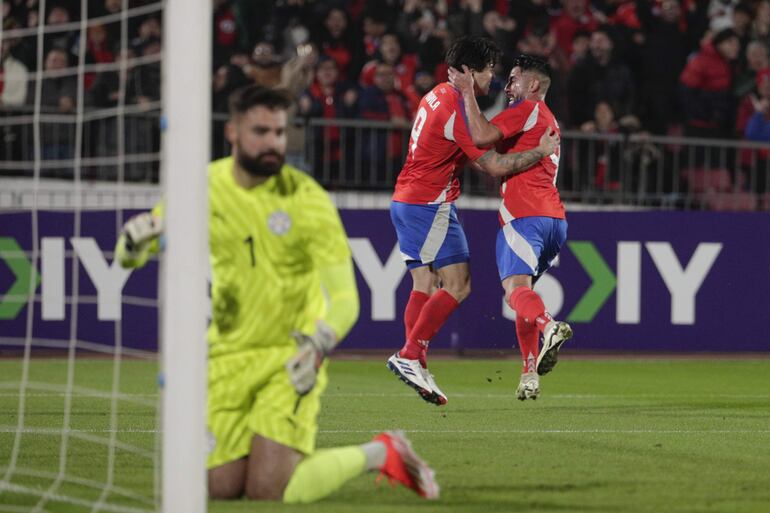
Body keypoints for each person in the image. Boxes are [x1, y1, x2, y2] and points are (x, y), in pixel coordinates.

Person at [115, 85, 439, 503]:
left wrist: (319, 344)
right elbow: (132, 255)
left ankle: (380, 453)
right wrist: (131, 243)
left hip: (290, 358)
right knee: (219, 488)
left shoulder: (307, 200)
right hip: (225, 357)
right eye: (261, 132)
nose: (274, 143)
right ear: (232, 132)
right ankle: (381, 451)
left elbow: (345, 299)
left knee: (269, 489)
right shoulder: (201, 189)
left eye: (280, 133)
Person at [386, 37, 560, 406]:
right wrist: (539, 151)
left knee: (423, 280)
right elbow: (494, 164)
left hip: (411, 198)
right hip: (429, 203)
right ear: (469, 72)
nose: (494, 79)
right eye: (490, 71)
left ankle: (414, 359)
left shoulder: (435, 94)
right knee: (458, 285)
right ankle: (410, 354)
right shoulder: (456, 110)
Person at [448, 54, 573, 401]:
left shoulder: (528, 109)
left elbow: (482, 134)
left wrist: (467, 93)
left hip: (523, 215)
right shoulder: (548, 119)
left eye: (515, 79)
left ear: (534, 85)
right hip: (554, 221)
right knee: (523, 294)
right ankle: (529, 373)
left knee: (514, 291)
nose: (509, 85)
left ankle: (550, 327)